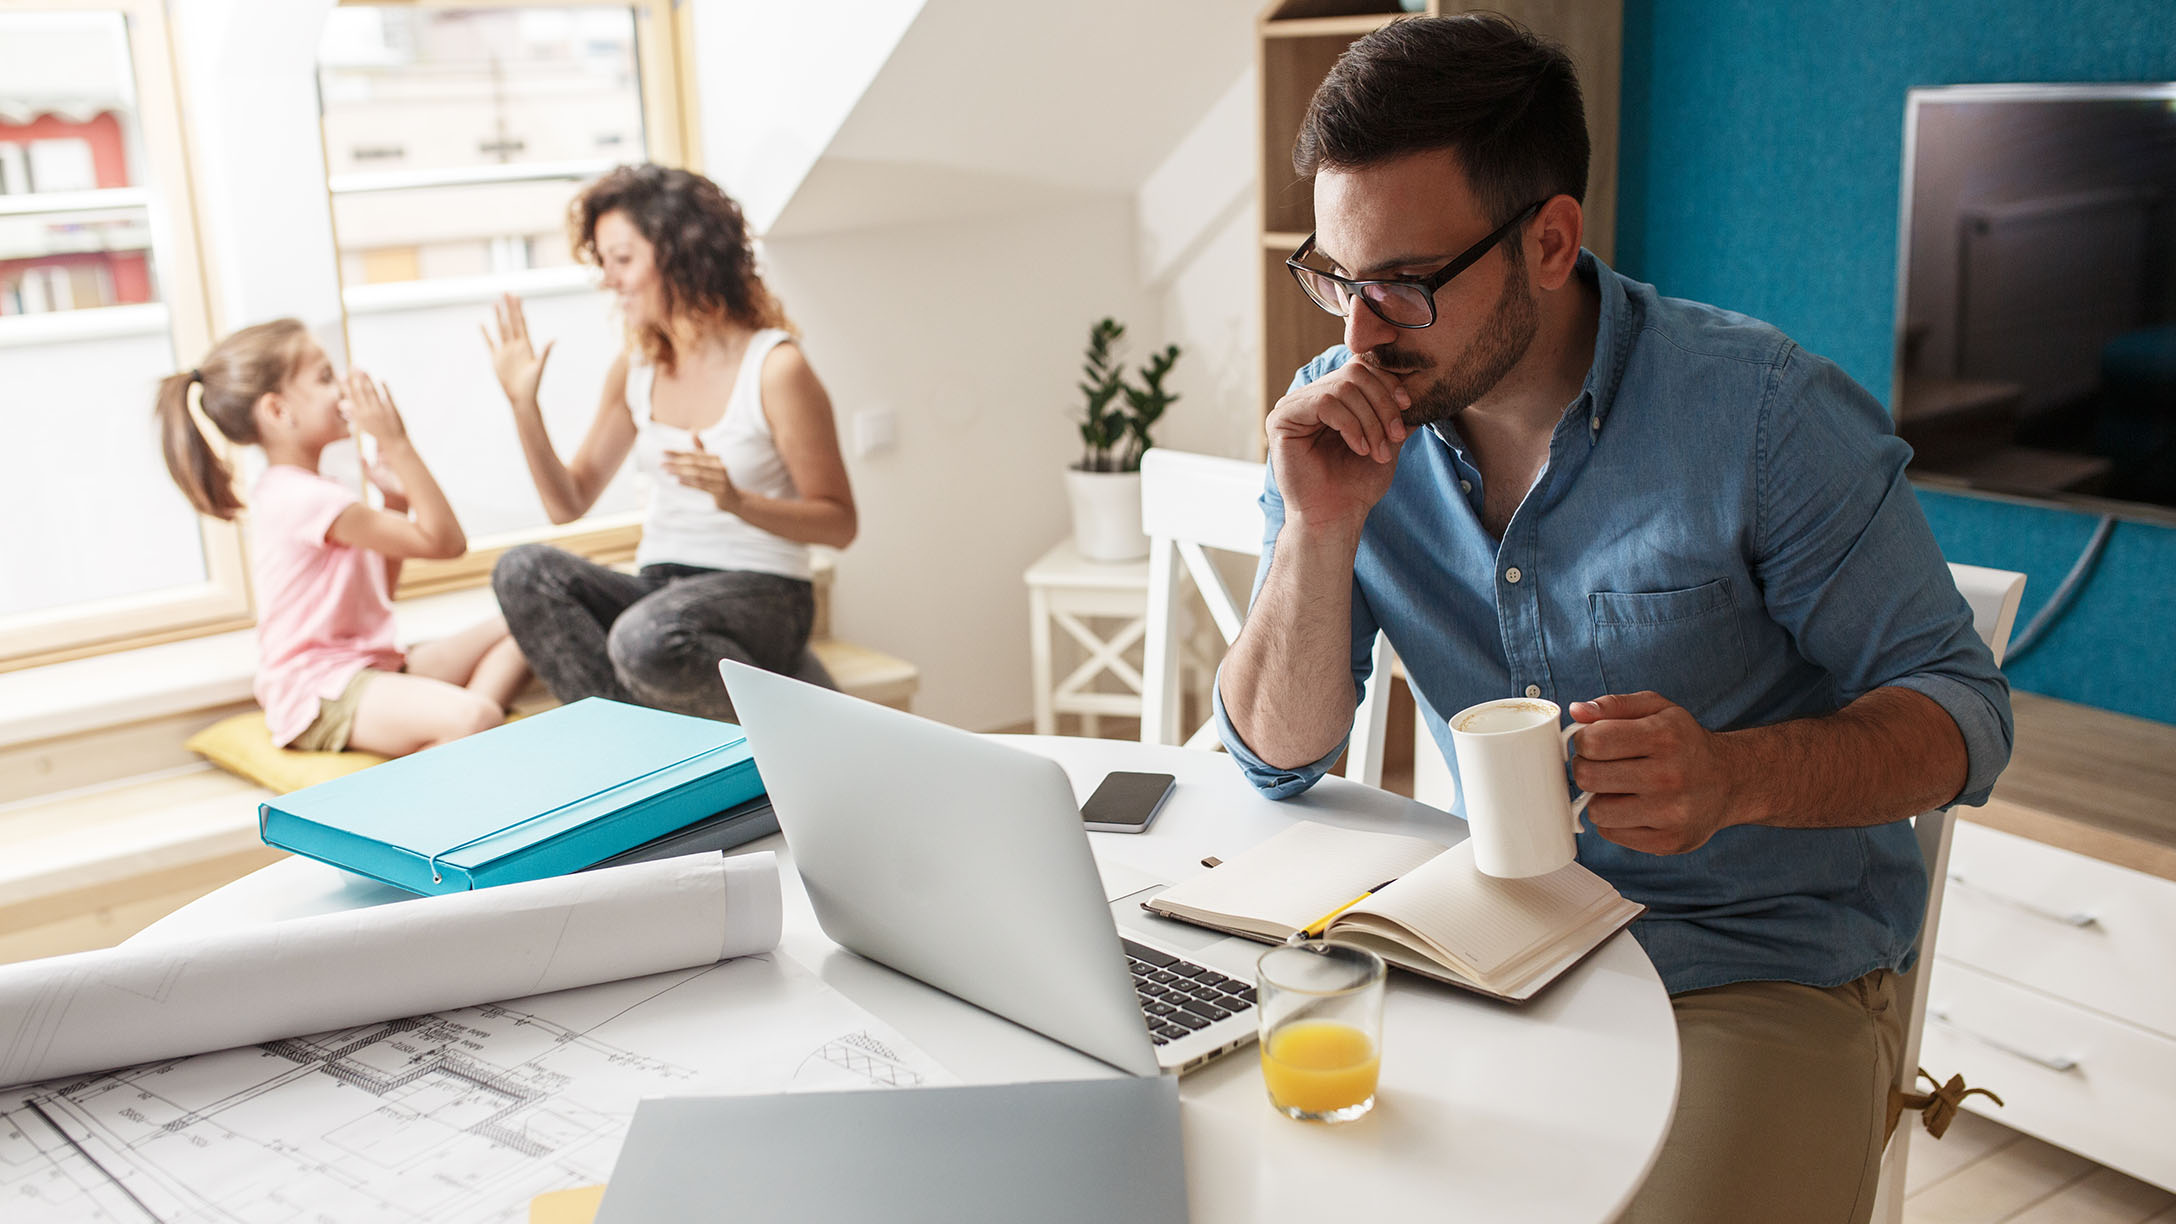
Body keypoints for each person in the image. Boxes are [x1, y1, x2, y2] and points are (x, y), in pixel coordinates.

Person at [1213, 16, 2011, 1224]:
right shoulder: (1343, 424)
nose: (1357, 335)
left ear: (1549, 239)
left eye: (1405, 287)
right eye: (1335, 278)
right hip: (1486, 948)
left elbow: (1965, 715)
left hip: (1754, 973)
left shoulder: (1761, 416)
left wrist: (1732, 778)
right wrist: (1319, 534)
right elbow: (1275, 758)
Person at [485, 164, 856, 722]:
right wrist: (523, 408)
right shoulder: (636, 367)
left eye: (623, 259)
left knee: (644, 638)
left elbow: (838, 523)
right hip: (662, 593)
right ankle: (638, 748)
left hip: (764, 594)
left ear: (682, 255)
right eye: (604, 262)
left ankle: (675, 745)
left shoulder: (775, 369)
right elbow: (568, 503)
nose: (609, 279)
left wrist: (738, 502)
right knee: (522, 571)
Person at [156, 320, 528, 757]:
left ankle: (466, 736)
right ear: (278, 411)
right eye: (325, 377)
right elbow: (447, 543)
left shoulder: (306, 491)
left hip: (367, 669)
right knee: (475, 717)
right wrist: (397, 442)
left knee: (524, 626)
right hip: (320, 693)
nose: (343, 388)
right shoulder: (307, 499)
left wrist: (394, 498)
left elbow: (376, 594)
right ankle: (470, 729)